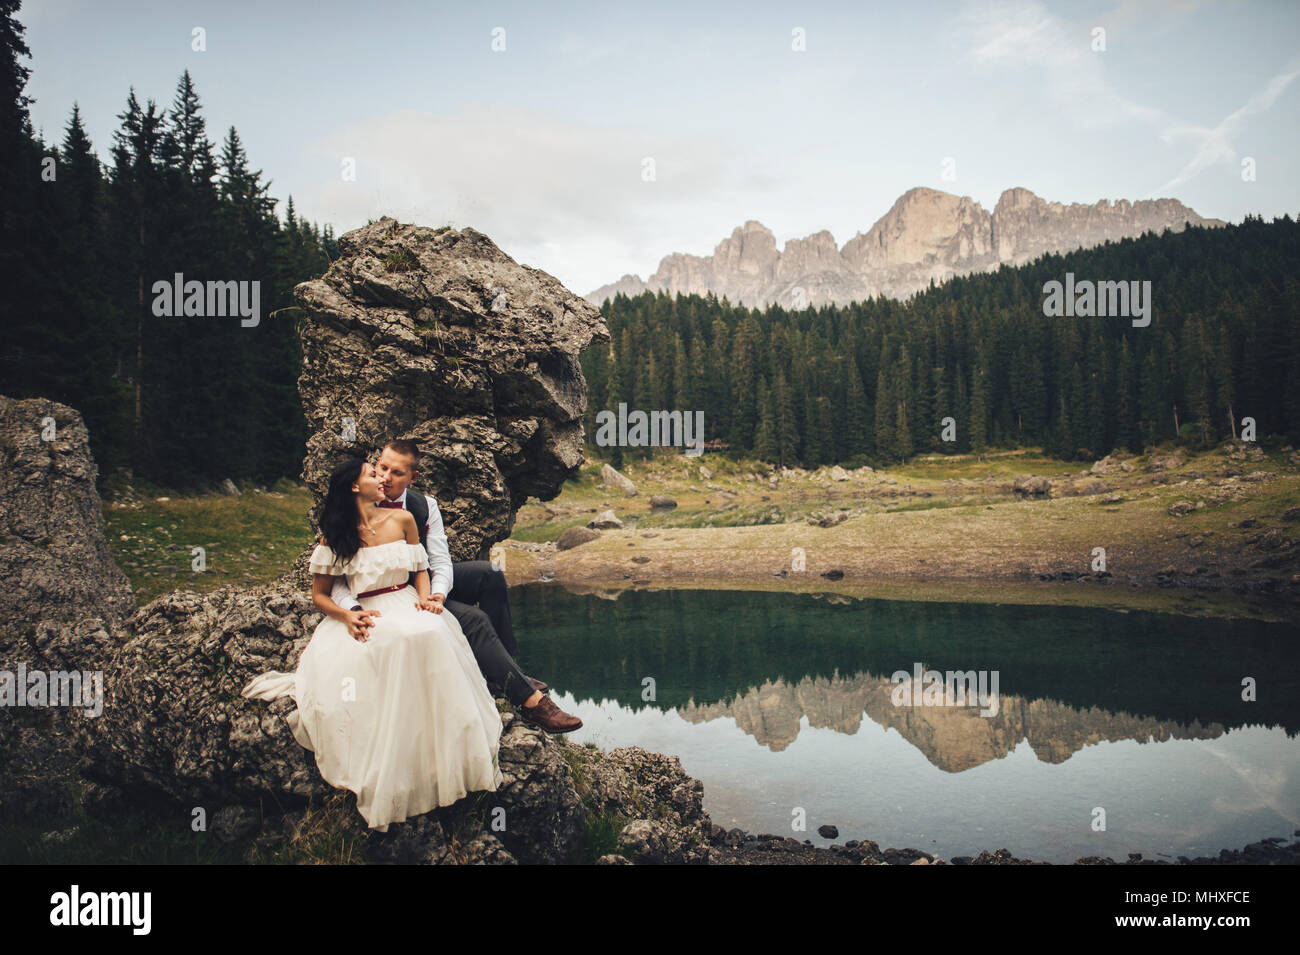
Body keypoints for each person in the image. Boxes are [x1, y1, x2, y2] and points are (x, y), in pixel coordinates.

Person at [241, 458, 503, 831]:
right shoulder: (335, 535)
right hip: (368, 610)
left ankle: (448, 756)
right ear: (353, 486)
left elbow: (421, 570)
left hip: (407, 599)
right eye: (372, 474)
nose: (381, 478)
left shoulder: (403, 520)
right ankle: (398, 765)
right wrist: (348, 616)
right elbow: (321, 595)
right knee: (391, 642)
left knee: (428, 633)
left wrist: (427, 600)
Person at [333, 439, 581, 734]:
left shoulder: (423, 506)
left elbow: (439, 561)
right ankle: (530, 702)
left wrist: (437, 594)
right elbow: (337, 577)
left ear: (413, 478)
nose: (385, 477)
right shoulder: (357, 502)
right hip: (394, 593)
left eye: (397, 473)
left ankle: (507, 671)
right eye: (382, 467)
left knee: (488, 572)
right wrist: (352, 609)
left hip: (422, 582)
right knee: (475, 620)